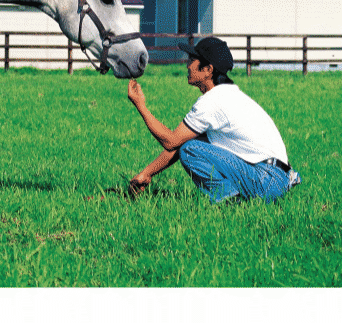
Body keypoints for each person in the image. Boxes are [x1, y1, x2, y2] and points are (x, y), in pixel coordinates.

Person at [126, 36, 301, 204]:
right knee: (190, 146)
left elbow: (171, 142)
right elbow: (179, 145)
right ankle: (234, 199)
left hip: (265, 179)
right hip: (276, 180)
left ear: (208, 70)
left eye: (192, 60)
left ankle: (229, 202)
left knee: (190, 150)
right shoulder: (229, 96)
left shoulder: (212, 101)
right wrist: (147, 173)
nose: (187, 65)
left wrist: (141, 106)